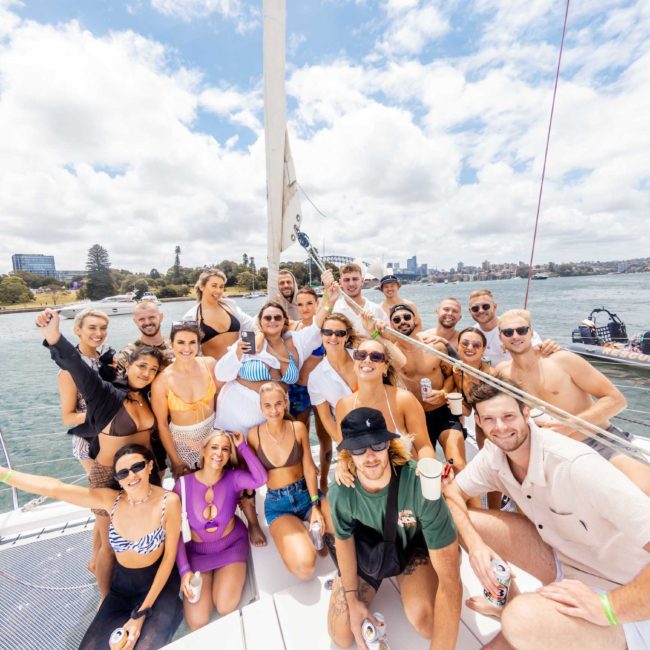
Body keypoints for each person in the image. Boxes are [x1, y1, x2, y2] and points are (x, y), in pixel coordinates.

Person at [442, 381, 650, 650]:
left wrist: (607, 608)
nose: (501, 427)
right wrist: (476, 546)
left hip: (626, 596)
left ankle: (530, 616)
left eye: (508, 416)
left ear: (526, 413)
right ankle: (508, 601)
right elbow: (452, 494)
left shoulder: (576, 466)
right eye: (490, 419)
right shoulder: (495, 455)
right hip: (568, 566)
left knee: (519, 621)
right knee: (463, 522)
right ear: (478, 422)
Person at [0, 444, 183, 649]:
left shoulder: (169, 502)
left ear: (149, 466)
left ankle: (172, 609)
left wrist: (141, 613)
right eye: (123, 473)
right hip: (122, 588)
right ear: (118, 479)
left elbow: (169, 559)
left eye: (137, 466)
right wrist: (3, 474)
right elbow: (55, 489)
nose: (131, 475)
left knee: (145, 645)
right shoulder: (111, 501)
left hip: (157, 585)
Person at [37, 308, 164, 597]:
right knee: (108, 541)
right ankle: (105, 601)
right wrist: (54, 338)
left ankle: (147, 583)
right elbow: (76, 366)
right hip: (108, 476)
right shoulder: (106, 395)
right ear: (128, 366)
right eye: (141, 366)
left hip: (146, 474)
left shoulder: (145, 395)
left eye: (152, 370)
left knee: (145, 530)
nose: (146, 373)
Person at [327, 407, 461, 650]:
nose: (370, 456)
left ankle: (408, 580)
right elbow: (344, 539)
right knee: (341, 635)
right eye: (358, 448)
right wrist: (352, 598)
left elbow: (450, 577)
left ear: (388, 444)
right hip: (370, 550)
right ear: (348, 454)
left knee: (428, 624)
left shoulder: (419, 484)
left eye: (377, 445)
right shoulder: (341, 491)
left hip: (412, 546)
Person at [214, 289, 337, 546]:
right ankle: (252, 524)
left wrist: (330, 298)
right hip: (237, 415)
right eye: (267, 318)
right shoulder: (248, 342)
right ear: (260, 321)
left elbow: (318, 322)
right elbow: (223, 372)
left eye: (277, 318)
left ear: (284, 321)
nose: (272, 322)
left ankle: (302, 506)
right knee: (238, 471)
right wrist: (237, 351)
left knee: (272, 467)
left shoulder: (296, 342)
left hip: (269, 418)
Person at [496, 309, 650, 494]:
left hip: (598, 441)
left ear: (531, 332)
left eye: (521, 330)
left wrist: (569, 425)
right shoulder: (502, 374)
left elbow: (617, 400)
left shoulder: (561, 360)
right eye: (508, 332)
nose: (515, 335)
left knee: (643, 491)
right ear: (500, 338)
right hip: (550, 454)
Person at [173, 429, 267, 630]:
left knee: (225, 607)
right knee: (198, 621)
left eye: (225, 449)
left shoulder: (234, 478)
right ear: (204, 450)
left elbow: (260, 479)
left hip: (232, 545)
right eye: (214, 447)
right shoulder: (182, 485)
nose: (219, 453)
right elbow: (175, 533)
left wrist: (242, 446)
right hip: (197, 553)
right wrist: (184, 571)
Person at [247, 383, 332, 579]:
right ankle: (302, 533)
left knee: (346, 530)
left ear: (286, 403)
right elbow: (251, 479)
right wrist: (253, 524)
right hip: (279, 505)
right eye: (267, 406)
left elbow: (310, 469)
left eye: (278, 403)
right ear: (261, 407)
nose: (274, 410)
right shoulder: (253, 435)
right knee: (305, 569)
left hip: (306, 494)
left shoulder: (298, 428)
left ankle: (310, 527)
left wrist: (315, 505)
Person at [384, 303, 467, 470]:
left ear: (416, 320)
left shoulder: (436, 346)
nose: (403, 321)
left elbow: (451, 374)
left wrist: (443, 392)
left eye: (407, 317)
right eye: (397, 319)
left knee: (457, 464)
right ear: (391, 325)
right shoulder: (392, 355)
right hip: (414, 417)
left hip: (443, 411)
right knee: (420, 470)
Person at [335, 336, 435, 469]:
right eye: (361, 355)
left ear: (385, 367)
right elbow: (344, 450)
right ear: (355, 362)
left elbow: (424, 446)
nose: (367, 360)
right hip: (366, 484)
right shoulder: (344, 405)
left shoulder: (404, 399)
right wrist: (342, 466)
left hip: (405, 480)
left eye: (376, 357)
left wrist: (426, 470)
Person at [151, 321, 218, 479]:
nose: (187, 348)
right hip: (182, 444)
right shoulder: (161, 381)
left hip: (212, 435)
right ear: (171, 343)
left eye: (192, 342)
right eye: (181, 342)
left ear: (199, 344)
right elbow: (162, 424)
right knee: (188, 495)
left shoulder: (210, 364)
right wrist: (176, 460)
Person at [57, 308, 109, 474]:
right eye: (92, 327)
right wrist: (109, 414)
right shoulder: (68, 371)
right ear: (77, 330)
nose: (98, 333)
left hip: (115, 438)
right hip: (90, 442)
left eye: (103, 328)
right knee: (104, 494)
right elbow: (68, 417)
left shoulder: (106, 361)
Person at [288, 287, 330, 492]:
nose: (304, 308)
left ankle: (323, 480)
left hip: (322, 390)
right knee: (299, 437)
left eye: (309, 303)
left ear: (317, 305)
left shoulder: (326, 328)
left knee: (325, 436)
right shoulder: (292, 328)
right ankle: (303, 479)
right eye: (300, 304)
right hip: (299, 390)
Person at [308, 312, 361, 461]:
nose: (333, 337)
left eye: (339, 333)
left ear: (347, 336)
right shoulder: (315, 378)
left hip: (380, 427)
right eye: (328, 332)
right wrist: (343, 446)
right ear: (321, 335)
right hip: (348, 436)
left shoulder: (363, 357)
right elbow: (326, 418)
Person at [183, 269, 256, 361]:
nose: (218, 290)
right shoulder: (190, 317)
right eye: (214, 286)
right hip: (214, 371)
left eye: (221, 287)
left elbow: (252, 326)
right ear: (202, 287)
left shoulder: (231, 307)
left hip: (240, 367)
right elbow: (187, 350)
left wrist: (250, 356)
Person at [468, 289, 542, 366]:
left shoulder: (514, 327)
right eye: (475, 308)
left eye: (485, 306)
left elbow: (538, 350)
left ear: (494, 306)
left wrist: (549, 346)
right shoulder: (471, 335)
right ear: (470, 311)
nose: (481, 311)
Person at [115, 300, 174, 377]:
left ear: (160, 317)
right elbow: (118, 385)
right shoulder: (128, 353)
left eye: (151, 317)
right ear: (136, 322)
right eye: (141, 319)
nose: (147, 322)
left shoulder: (176, 346)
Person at [325, 264, 385, 336]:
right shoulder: (334, 308)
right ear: (340, 282)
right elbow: (320, 327)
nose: (351, 284)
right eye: (346, 280)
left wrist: (374, 333)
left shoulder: (376, 309)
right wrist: (328, 300)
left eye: (355, 279)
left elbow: (389, 338)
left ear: (362, 281)